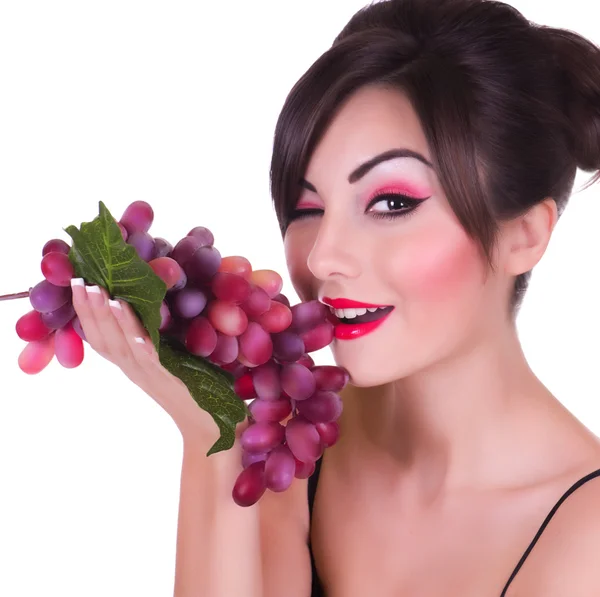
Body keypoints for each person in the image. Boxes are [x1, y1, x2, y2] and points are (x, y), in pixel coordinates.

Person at [71, 0, 600, 595]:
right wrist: (213, 436)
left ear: (522, 235)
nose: (321, 257)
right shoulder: (296, 445)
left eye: (391, 203)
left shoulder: (587, 536)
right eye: (308, 208)